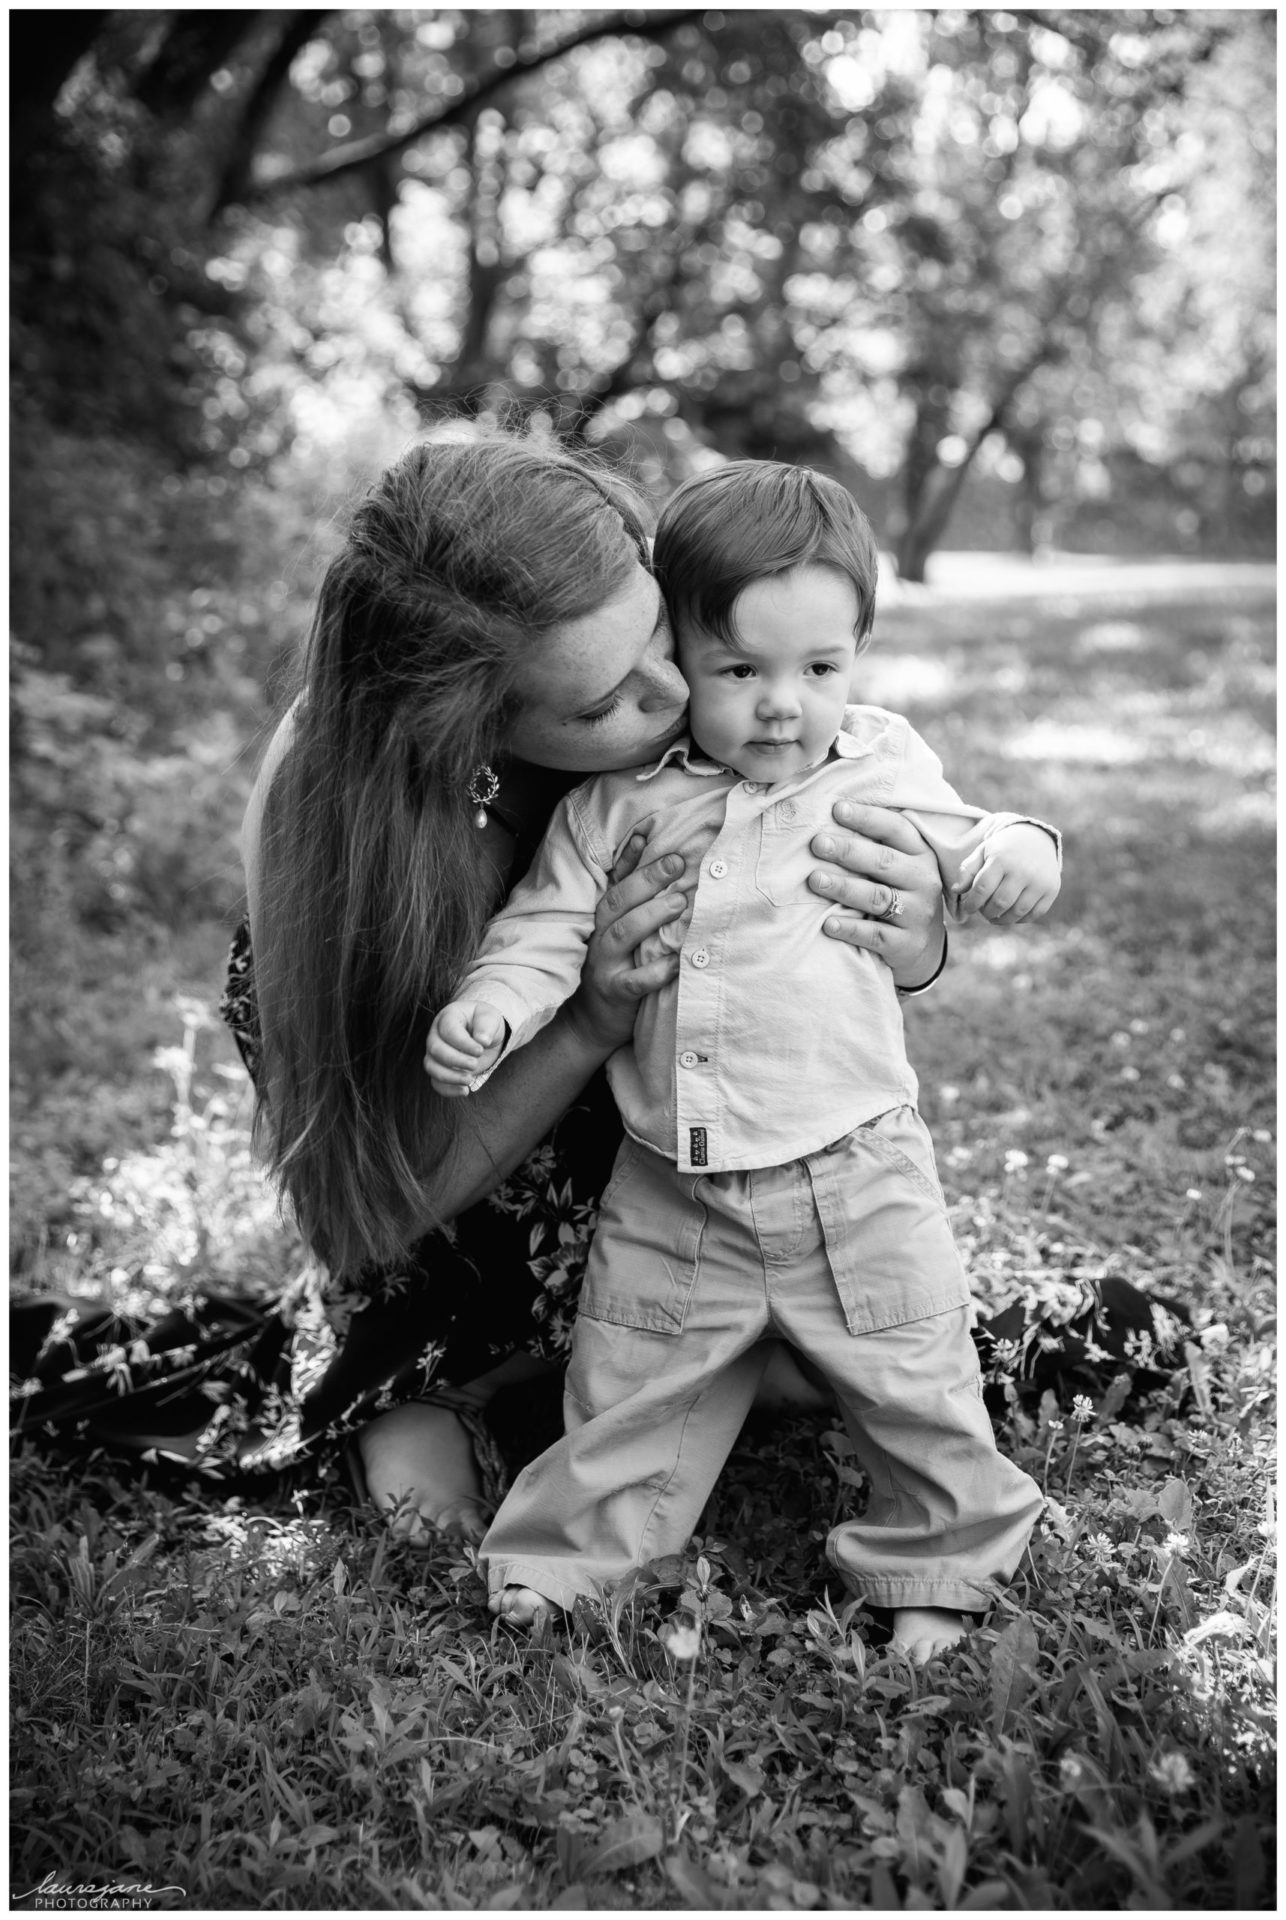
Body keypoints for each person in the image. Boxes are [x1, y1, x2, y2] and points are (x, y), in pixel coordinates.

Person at [10, 433, 954, 1536]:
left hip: (695, 1151)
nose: (672, 693)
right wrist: (588, 1017)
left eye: (667, 636)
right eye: (602, 704)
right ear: (472, 732)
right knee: (675, 1375)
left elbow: (826, 966)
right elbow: (358, 1217)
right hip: (452, 1185)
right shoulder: (337, 828)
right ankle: (446, 1374)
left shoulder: (709, 705)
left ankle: (640, 1357)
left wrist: (915, 933)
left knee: (852, 1352)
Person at [426, 461, 1061, 1660]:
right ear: (676, 651)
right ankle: (574, 1557)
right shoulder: (620, 801)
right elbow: (547, 927)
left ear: (856, 656)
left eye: (819, 669)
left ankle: (937, 1562)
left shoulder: (875, 764)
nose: (783, 705)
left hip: (853, 1164)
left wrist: (1021, 851)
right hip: (674, 1179)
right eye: (739, 671)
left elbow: (975, 832)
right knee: (628, 1388)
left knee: (912, 1375)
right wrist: (494, 1010)